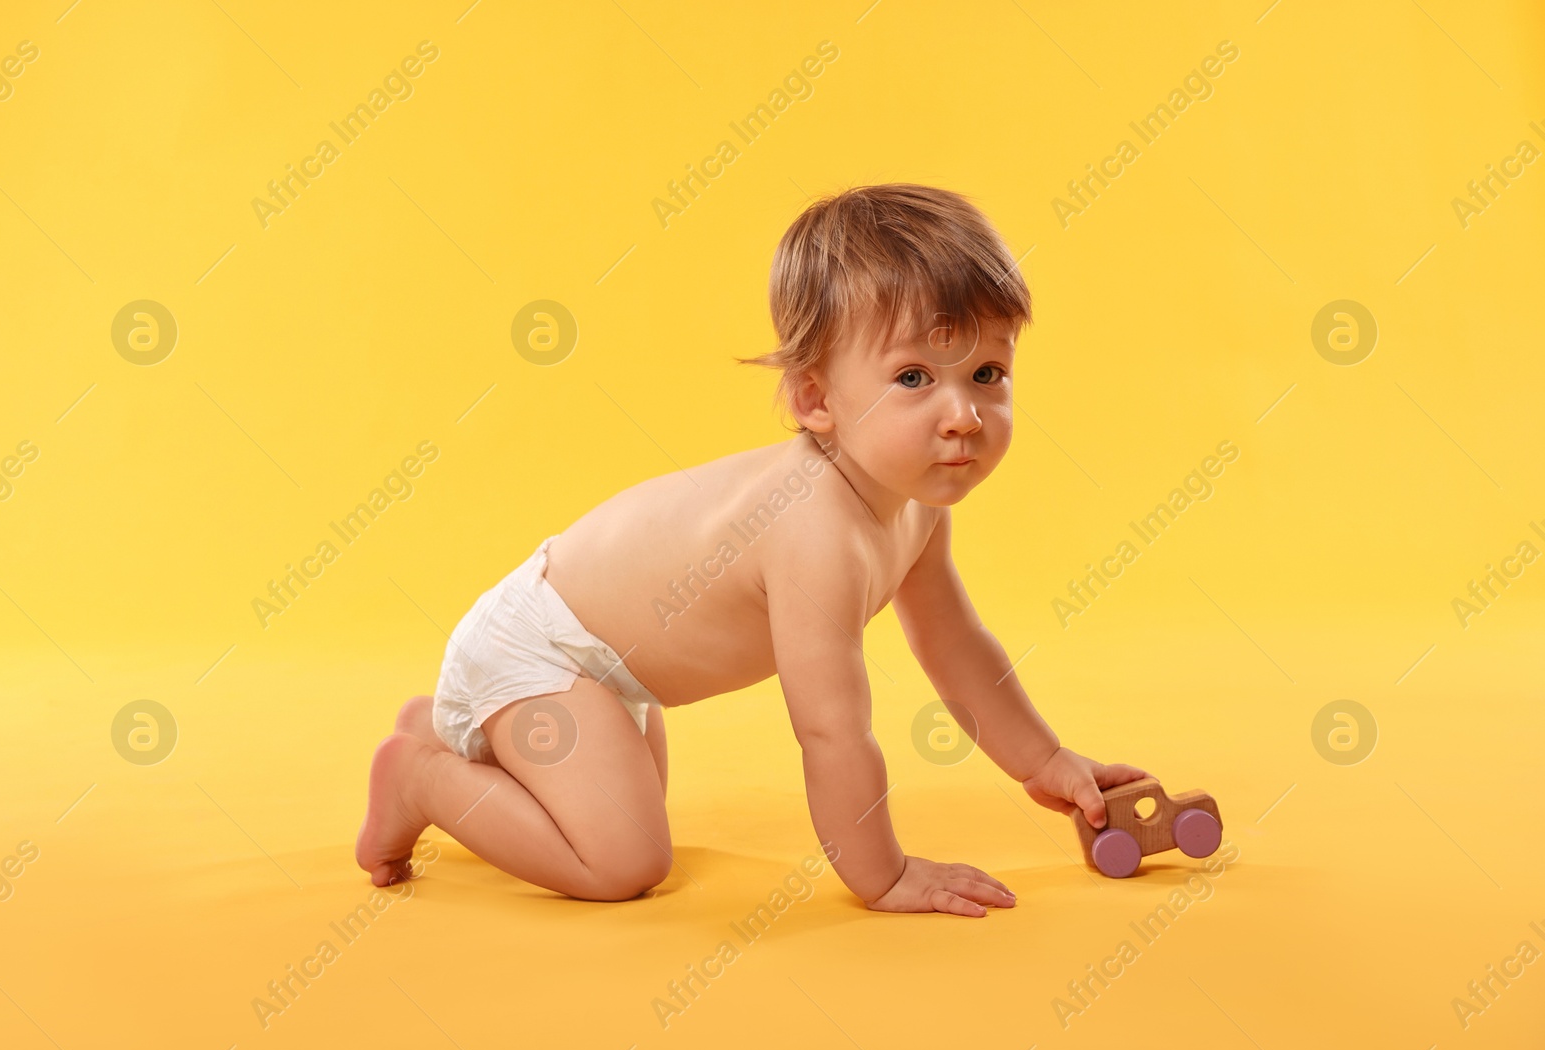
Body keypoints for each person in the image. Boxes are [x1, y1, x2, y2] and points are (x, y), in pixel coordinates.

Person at [357, 182, 1150, 916]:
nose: (963, 415)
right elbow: (833, 729)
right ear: (815, 399)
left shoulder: (910, 506)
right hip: (546, 649)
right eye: (913, 377)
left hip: (608, 671)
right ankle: (422, 777)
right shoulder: (814, 530)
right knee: (624, 858)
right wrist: (884, 873)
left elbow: (958, 646)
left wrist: (1044, 760)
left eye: (986, 372)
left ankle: (449, 724)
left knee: (625, 799)